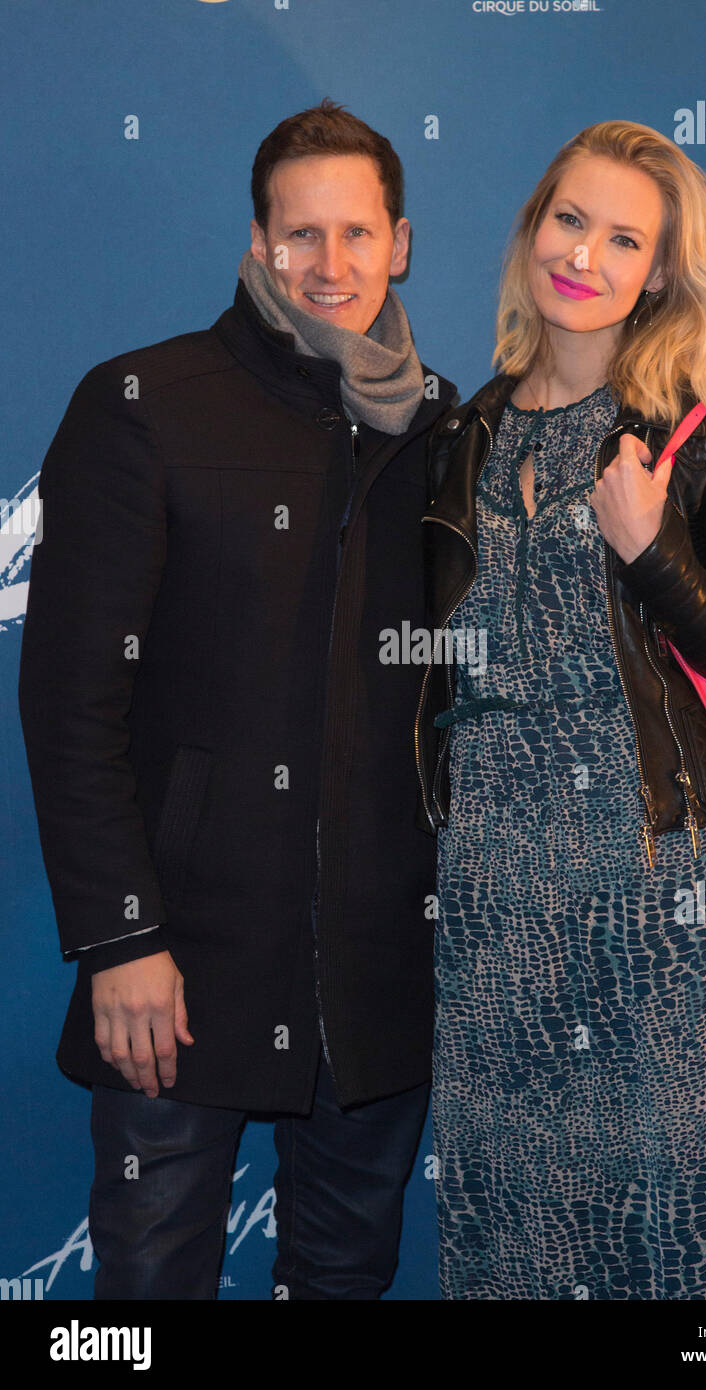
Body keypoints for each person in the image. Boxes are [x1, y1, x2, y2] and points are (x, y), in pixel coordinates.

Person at [18, 99, 456, 1300]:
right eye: (299, 234)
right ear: (259, 243)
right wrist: (121, 940)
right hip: (181, 966)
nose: (331, 266)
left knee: (345, 1275)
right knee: (145, 1299)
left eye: (356, 235)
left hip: (373, 970)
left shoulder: (442, 432)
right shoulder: (143, 404)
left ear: (401, 242)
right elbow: (69, 704)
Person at [414, 120, 706, 1300]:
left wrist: (652, 557)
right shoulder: (460, 437)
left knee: (680, 1230)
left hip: (661, 889)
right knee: (508, 1225)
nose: (583, 255)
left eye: (621, 237)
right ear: (531, 230)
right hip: (490, 892)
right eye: (568, 220)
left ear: (657, 272)